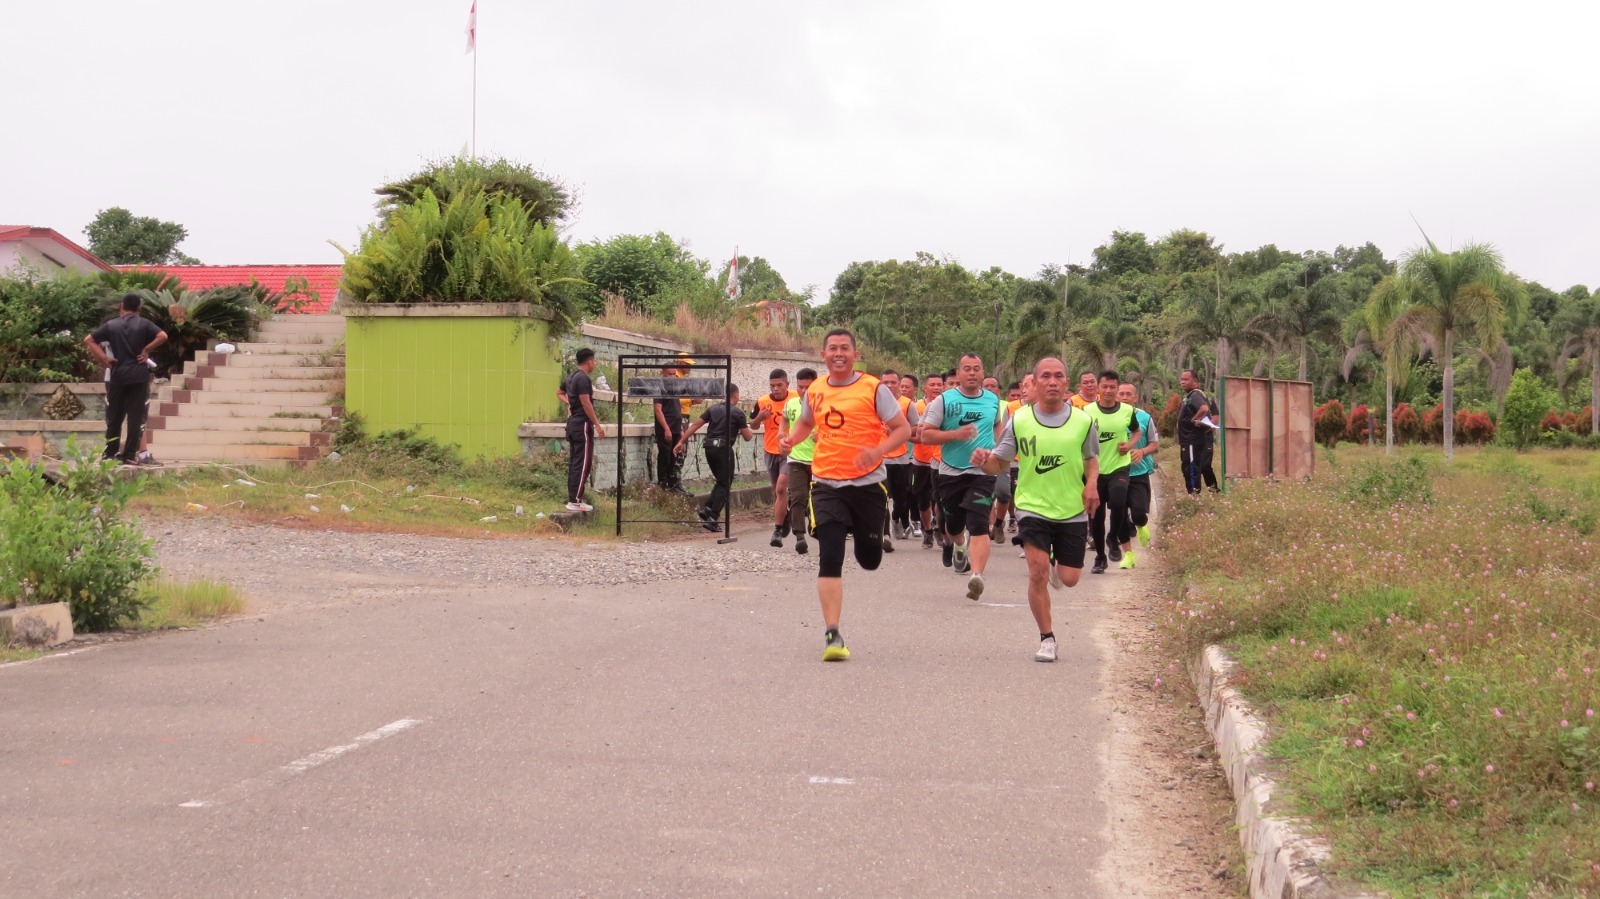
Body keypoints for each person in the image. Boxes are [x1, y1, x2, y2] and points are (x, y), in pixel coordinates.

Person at [779, 329, 911, 662]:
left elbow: (903, 429)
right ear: (823, 355)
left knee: (869, 559)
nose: (839, 353)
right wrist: (791, 440)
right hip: (826, 484)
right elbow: (806, 423)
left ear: (855, 353)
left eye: (845, 348)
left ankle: (868, 539)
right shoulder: (816, 390)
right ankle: (833, 634)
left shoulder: (874, 388)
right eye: (832, 349)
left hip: (868, 486)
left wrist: (877, 450)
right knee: (830, 555)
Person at [970, 357, 1100, 662]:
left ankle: (1058, 567)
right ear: (1035, 383)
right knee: (1037, 571)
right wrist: (984, 461)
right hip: (1031, 507)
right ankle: (1047, 638)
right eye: (1046, 376)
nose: (1052, 381)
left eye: (1058, 376)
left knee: (1069, 578)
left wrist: (1092, 483)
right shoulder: (1020, 421)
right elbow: (999, 463)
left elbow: (1091, 460)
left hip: (1071, 509)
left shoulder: (1083, 422)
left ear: (1067, 384)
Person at [919, 352, 1005, 600]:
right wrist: (955, 435)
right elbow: (926, 435)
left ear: (983, 372)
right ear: (958, 373)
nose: (972, 373)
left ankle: (976, 576)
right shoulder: (944, 401)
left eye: (976, 368)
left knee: (979, 523)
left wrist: (999, 451)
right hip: (950, 471)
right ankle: (959, 545)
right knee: (952, 526)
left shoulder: (992, 400)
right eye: (966, 369)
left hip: (982, 472)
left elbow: (997, 426)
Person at [83, 292, 167, 466]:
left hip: (117, 375)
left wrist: (104, 359)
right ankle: (129, 454)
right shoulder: (144, 324)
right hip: (138, 376)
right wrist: (146, 350)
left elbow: (89, 340)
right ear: (139, 308)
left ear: (122, 307)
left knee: (114, 416)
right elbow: (163, 336)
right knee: (136, 417)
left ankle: (110, 454)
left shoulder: (112, 325)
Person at [1085, 371, 1141, 574]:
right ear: (1098, 388)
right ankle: (1100, 557)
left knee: (1118, 503)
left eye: (1112, 387)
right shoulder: (1088, 411)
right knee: (1096, 517)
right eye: (1105, 387)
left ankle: (1113, 537)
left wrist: (1130, 444)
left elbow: (1137, 431)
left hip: (1119, 465)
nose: (1108, 391)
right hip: (1095, 470)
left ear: (1117, 389)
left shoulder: (1127, 410)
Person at [676, 385, 754, 531]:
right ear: (736, 396)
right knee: (725, 483)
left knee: (721, 481)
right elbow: (748, 437)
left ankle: (707, 509)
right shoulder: (738, 413)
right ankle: (713, 517)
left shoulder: (712, 409)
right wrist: (745, 426)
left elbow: (696, 425)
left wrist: (681, 442)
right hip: (724, 449)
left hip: (709, 448)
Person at [750, 369, 795, 547]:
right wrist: (760, 417)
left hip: (790, 450)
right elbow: (752, 425)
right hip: (770, 450)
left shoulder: (795, 399)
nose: (776, 389)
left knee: (781, 489)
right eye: (772, 386)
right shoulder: (762, 401)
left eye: (779, 385)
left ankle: (777, 530)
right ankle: (785, 516)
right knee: (776, 489)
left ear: (787, 384)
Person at [1118, 383, 1160, 567]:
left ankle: (1141, 524)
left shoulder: (1145, 418)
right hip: (1115, 473)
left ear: (1135, 398)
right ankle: (1128, 555)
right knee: (1118, 515)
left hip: (1139, 472)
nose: (1125, 397)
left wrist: (1142, 452)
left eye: (1129, 394)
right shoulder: (1108, 418)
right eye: (1122, 394)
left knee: (1138, 513)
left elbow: (1155, 444)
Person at [561, 349, 607, 511]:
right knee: (583, 463)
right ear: (589, 361)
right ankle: (575, 500)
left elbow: (560, 392)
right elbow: (586, 402)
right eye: (594, 361)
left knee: (575, 462)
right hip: (582, 425)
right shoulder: (583, 379)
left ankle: (573, 498)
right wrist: (597, 425)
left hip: (572, 424)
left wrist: (570, 404)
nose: (594, 364)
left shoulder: (571, 377)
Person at [779, 368, 819, 555]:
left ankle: (819, 529)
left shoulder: (824, 405)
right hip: (796, 459)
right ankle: (799, 536)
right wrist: (781, 432)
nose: (803, 391)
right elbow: (785, 419)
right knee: (797, 497)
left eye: (808, 387)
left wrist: (822, 434)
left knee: (819, 499)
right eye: (800, 387)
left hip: (820, 460)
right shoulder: (791, 403)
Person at [879, 369, 919, 548]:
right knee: (881, 496)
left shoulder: (907, 404)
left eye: (893, 382)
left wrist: (898, 432)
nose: (889, 386)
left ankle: (896, 519)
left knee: (901, 498)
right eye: (885, 382)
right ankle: (885, 533)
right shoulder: (874, 403)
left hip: (901, 458)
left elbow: (916, 429)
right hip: (879, 458)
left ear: (898, 385)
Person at [910, 373, 943, 549]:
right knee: (922, 499)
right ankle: (928, 530)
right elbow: (912, 433)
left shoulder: (946, 406)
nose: (936, 388)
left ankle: (938, 526)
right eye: (933, 384)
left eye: (939, 384)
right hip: (921, 460)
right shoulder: (917, 407)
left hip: (940, 460)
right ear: (925, 388)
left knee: (939, 497)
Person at [1176, 369, 1219, 495]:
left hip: (1193, 439)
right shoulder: (1188, 397)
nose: (1182, 382)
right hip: (1187, 440)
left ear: (1195, 382)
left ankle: (1197, 494)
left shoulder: (1196, 395)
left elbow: (1206, 409)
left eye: (1186, 379)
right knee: (1188, 467)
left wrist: (1195, 419)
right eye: (1181, 379)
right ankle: (1194, 493)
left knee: (1196, 467)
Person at [653, 363, 686, 492]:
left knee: (674, 457)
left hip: (676, 428)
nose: (672, 377)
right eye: (669, 374)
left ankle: (673, 484)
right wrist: (666, 428)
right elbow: (658, 410)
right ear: (663, 374)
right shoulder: (660, 388)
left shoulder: (674, 389)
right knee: (665, 456)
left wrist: (681, 430)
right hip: (666, 429)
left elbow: (677, 410)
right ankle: (663, 483)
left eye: (674, 374)